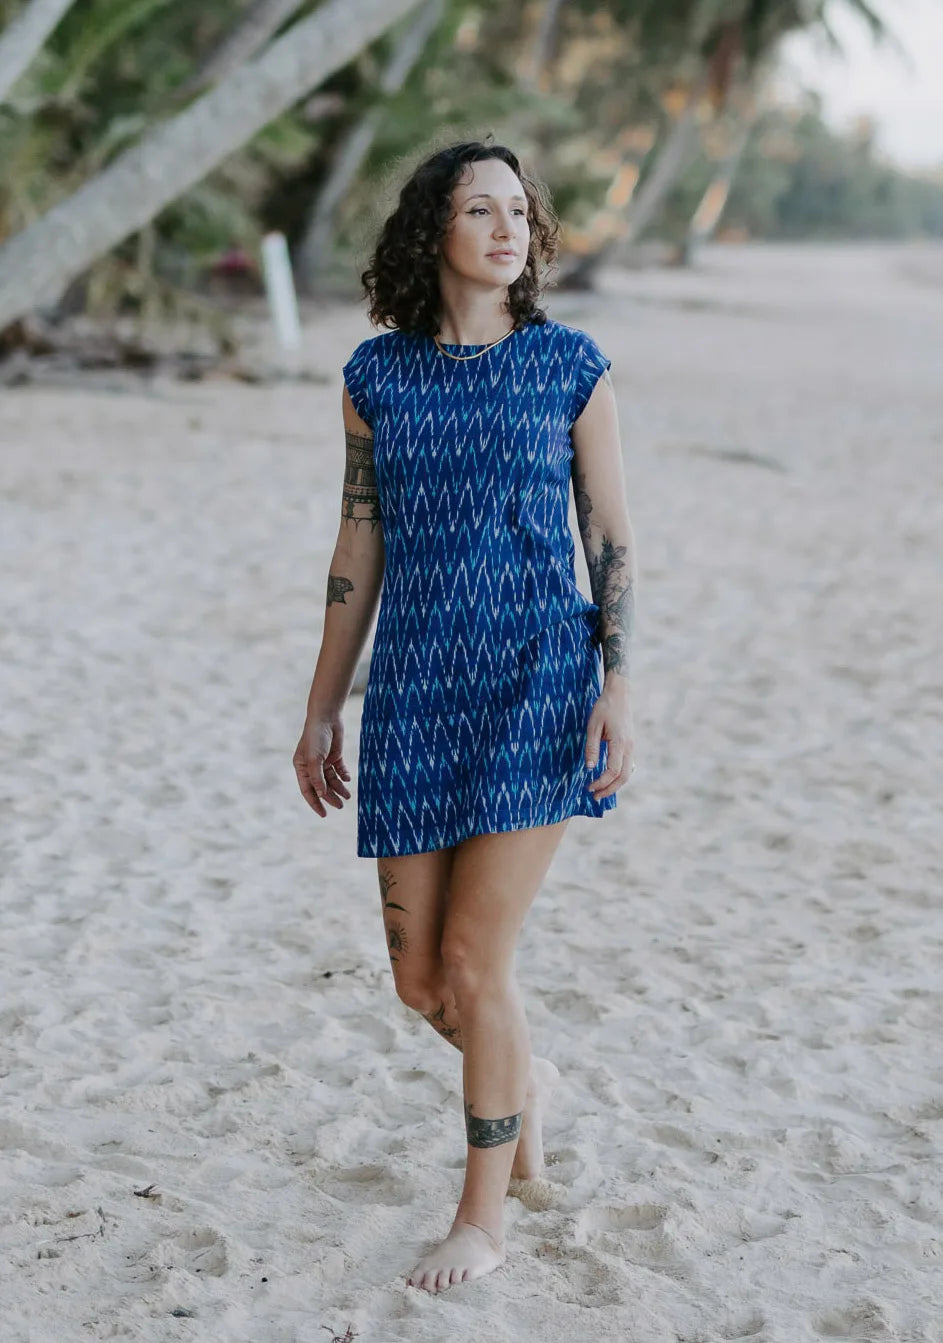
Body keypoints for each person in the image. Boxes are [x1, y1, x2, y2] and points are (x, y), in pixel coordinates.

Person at [293, 137, 637, 1293]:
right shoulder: (374, 377)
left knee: (477, 965)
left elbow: (611, 539)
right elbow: (359, 542)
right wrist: (320, 704)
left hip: (537, 680)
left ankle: (483, 1215)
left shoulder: (570, 366)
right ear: (430, 230)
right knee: (422, 983)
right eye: (477, 209)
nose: (504, 228)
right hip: (412, 690)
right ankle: (519, 1086)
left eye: (517, 211)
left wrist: (618, 687)